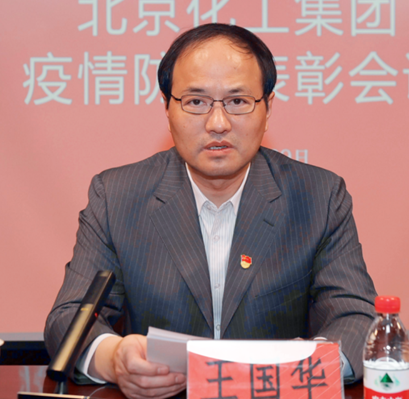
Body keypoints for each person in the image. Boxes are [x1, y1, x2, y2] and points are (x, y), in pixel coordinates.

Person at [44, 23, 377, 399]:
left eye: (238, 102)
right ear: (167, 107)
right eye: (196, 102)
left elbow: (357, 320)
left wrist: (298, 368)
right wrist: (115, 359)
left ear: (268, 107)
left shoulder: (318, 196)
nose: (218, 124)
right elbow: (69, 319)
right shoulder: (117, 196)